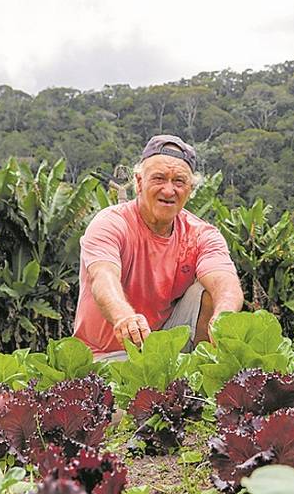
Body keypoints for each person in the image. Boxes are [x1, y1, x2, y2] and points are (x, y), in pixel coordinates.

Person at [73, 135, 244, 360]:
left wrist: (223, 318)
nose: (168, 190)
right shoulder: (111, 223)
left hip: (161, 346)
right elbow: (103, 277)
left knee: (210, 295)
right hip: (105, 354)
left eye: (179, 182)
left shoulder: (202, 233)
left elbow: (226, 283)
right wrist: (124, 318)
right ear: (139, 182)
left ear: (190, 189)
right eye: (159, 178)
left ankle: (202, 375)